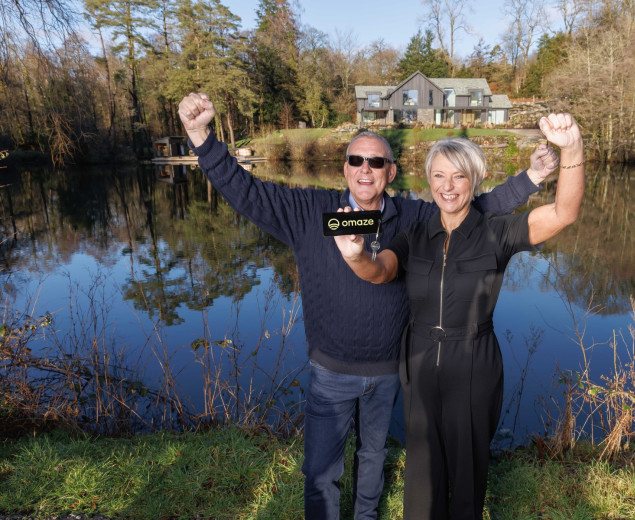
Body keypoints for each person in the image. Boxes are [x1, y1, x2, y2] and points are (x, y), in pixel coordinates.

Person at [177, 92, 560, 520]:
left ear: (390, 172)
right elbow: (248, 193)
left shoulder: (411, 217)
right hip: (331, 372)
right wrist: (201, 138)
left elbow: (475, 206)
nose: (365, 169)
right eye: (356, 160)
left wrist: (530, 178)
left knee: (373, 458)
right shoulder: (314, 213)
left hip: (387, 372)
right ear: (344, 168)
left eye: (376, 163)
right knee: (322, 472)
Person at [333, 113, 585, 519]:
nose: (447, 187)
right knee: (422, 472)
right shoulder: (413, 235)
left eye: (458, 177)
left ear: (475, 180)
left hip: (473, 363)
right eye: (438, 176)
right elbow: (379, 272)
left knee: (467, 473)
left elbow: (563, 213)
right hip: (418, 364)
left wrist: (572, 148)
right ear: (429, 181)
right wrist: (356, 255)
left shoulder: (496, 232)